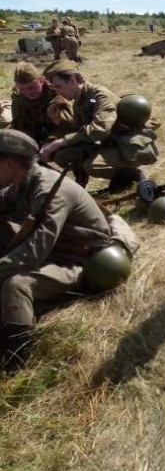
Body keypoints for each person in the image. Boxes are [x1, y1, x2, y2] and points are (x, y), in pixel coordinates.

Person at [0, 129, 128, 372]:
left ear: (9, 163)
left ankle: (14, 364)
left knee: (16, 285)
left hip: (80, 261)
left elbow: (36, 250)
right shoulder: (23, 181)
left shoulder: (50, 191)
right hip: (57, 251)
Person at [39, 60, 151, 192]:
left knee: (92, 166)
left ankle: (133, 175)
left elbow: (99, 130)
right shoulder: (79, 99)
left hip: (128, 147)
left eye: (59, 86)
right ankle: (104, 181)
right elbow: (78, 131)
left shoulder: (100, 96)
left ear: (72, 81)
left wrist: (61, 141)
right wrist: (58, 120)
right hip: (109, 144)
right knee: (64, 156)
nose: (58, 92)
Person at [10, 62, 69, 145]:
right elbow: (19, 126)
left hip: (56, 136)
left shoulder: (57, 93)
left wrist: (51, 141)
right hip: (31, 137)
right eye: (22, 89)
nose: (27, 92)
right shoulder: (18, 98)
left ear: (41, 80)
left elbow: (68, 126)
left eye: (31, 88)